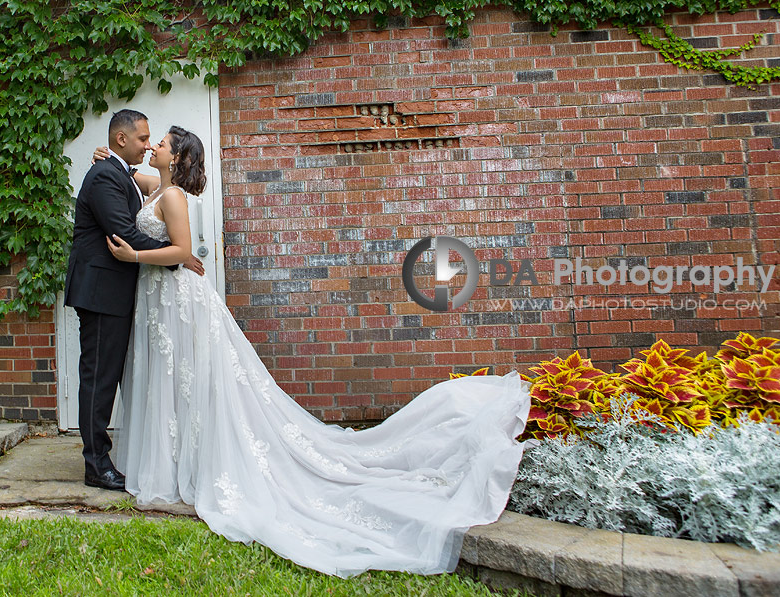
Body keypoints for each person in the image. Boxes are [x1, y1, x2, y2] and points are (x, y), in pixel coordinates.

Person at [103, 125, 532, 577]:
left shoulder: (171, 198)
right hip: (162, 300)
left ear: (178, 158)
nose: (153, 147)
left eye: (162, 144)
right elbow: (134, 180)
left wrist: (133, 258)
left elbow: (182, 250)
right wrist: (109, 161)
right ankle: (175, 463)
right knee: (176, 381)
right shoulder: (158, 188)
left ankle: (192, 466)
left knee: (193, 381)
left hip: (178, 300)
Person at [65, 109, 203, 491]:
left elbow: (159, 188)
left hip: (119, 293)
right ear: (121, 139)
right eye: (143, 139)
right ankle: (96, 464)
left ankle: (128, 453)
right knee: (99, 377)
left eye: (152, 141)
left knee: (116, 376)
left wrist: (178, 251)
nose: (148, 144)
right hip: (101, 293)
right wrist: (177, 253)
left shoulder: (123, 173)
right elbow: (124, 233)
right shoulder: (106, 175)